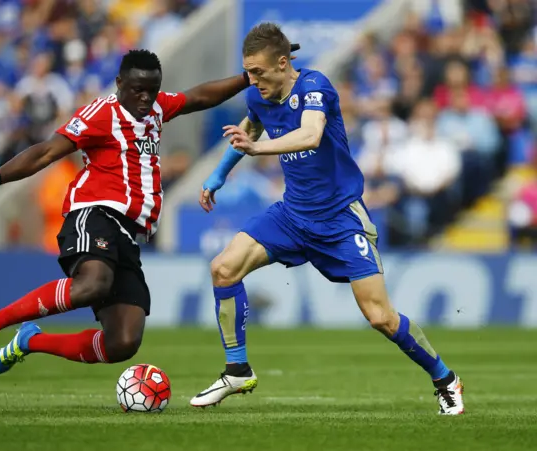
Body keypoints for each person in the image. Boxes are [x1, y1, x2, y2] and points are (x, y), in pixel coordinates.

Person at [0, 49, 289, 375]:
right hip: (94, 213)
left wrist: (248, 77)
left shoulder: (155, 108)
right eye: (137, 89)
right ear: (120, 84)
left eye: (152, 90)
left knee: (123, 342)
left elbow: (198, 97)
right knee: (92, 284)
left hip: (129, 232)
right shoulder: (100, 114)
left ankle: (30, 341)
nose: (145, 98)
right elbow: (47, 151)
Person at [192, 23, 464, 415]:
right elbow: (248, 131)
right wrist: (217, 176)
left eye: (259, 72)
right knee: (224, 267)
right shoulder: (260, 95)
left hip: (340, 220)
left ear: (283, 63)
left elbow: (311, 135)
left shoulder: (315, 86)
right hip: (292, 214)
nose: (251, 81)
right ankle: (237, 368)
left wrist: (258, 149)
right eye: (248, 71)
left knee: (380, 317)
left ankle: (445, 378)